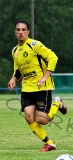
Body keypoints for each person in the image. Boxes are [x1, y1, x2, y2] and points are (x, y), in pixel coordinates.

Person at [8, 20, 67, 152]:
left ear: (28, 31)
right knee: (29, 116)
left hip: (42, 87)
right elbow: (18, 69)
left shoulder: (35, 45)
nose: (21, 32)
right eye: (18, 30)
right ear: (15, 32)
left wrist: (44, 76)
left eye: (24, 29)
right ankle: (49, 143)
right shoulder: (15, 51)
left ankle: (57, 103)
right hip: (27, 88)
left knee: (42, 120)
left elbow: (53, 57)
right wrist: (14, 78)